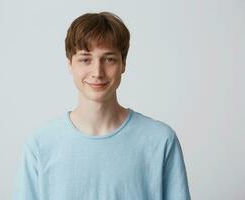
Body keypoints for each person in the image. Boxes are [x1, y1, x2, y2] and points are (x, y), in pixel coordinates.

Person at [12, 11, 191, 200]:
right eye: (85, 59)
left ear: (123, 64)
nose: (97, 72)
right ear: (70, 64)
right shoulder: (40, 144)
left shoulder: (160, 140)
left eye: (109, 59)